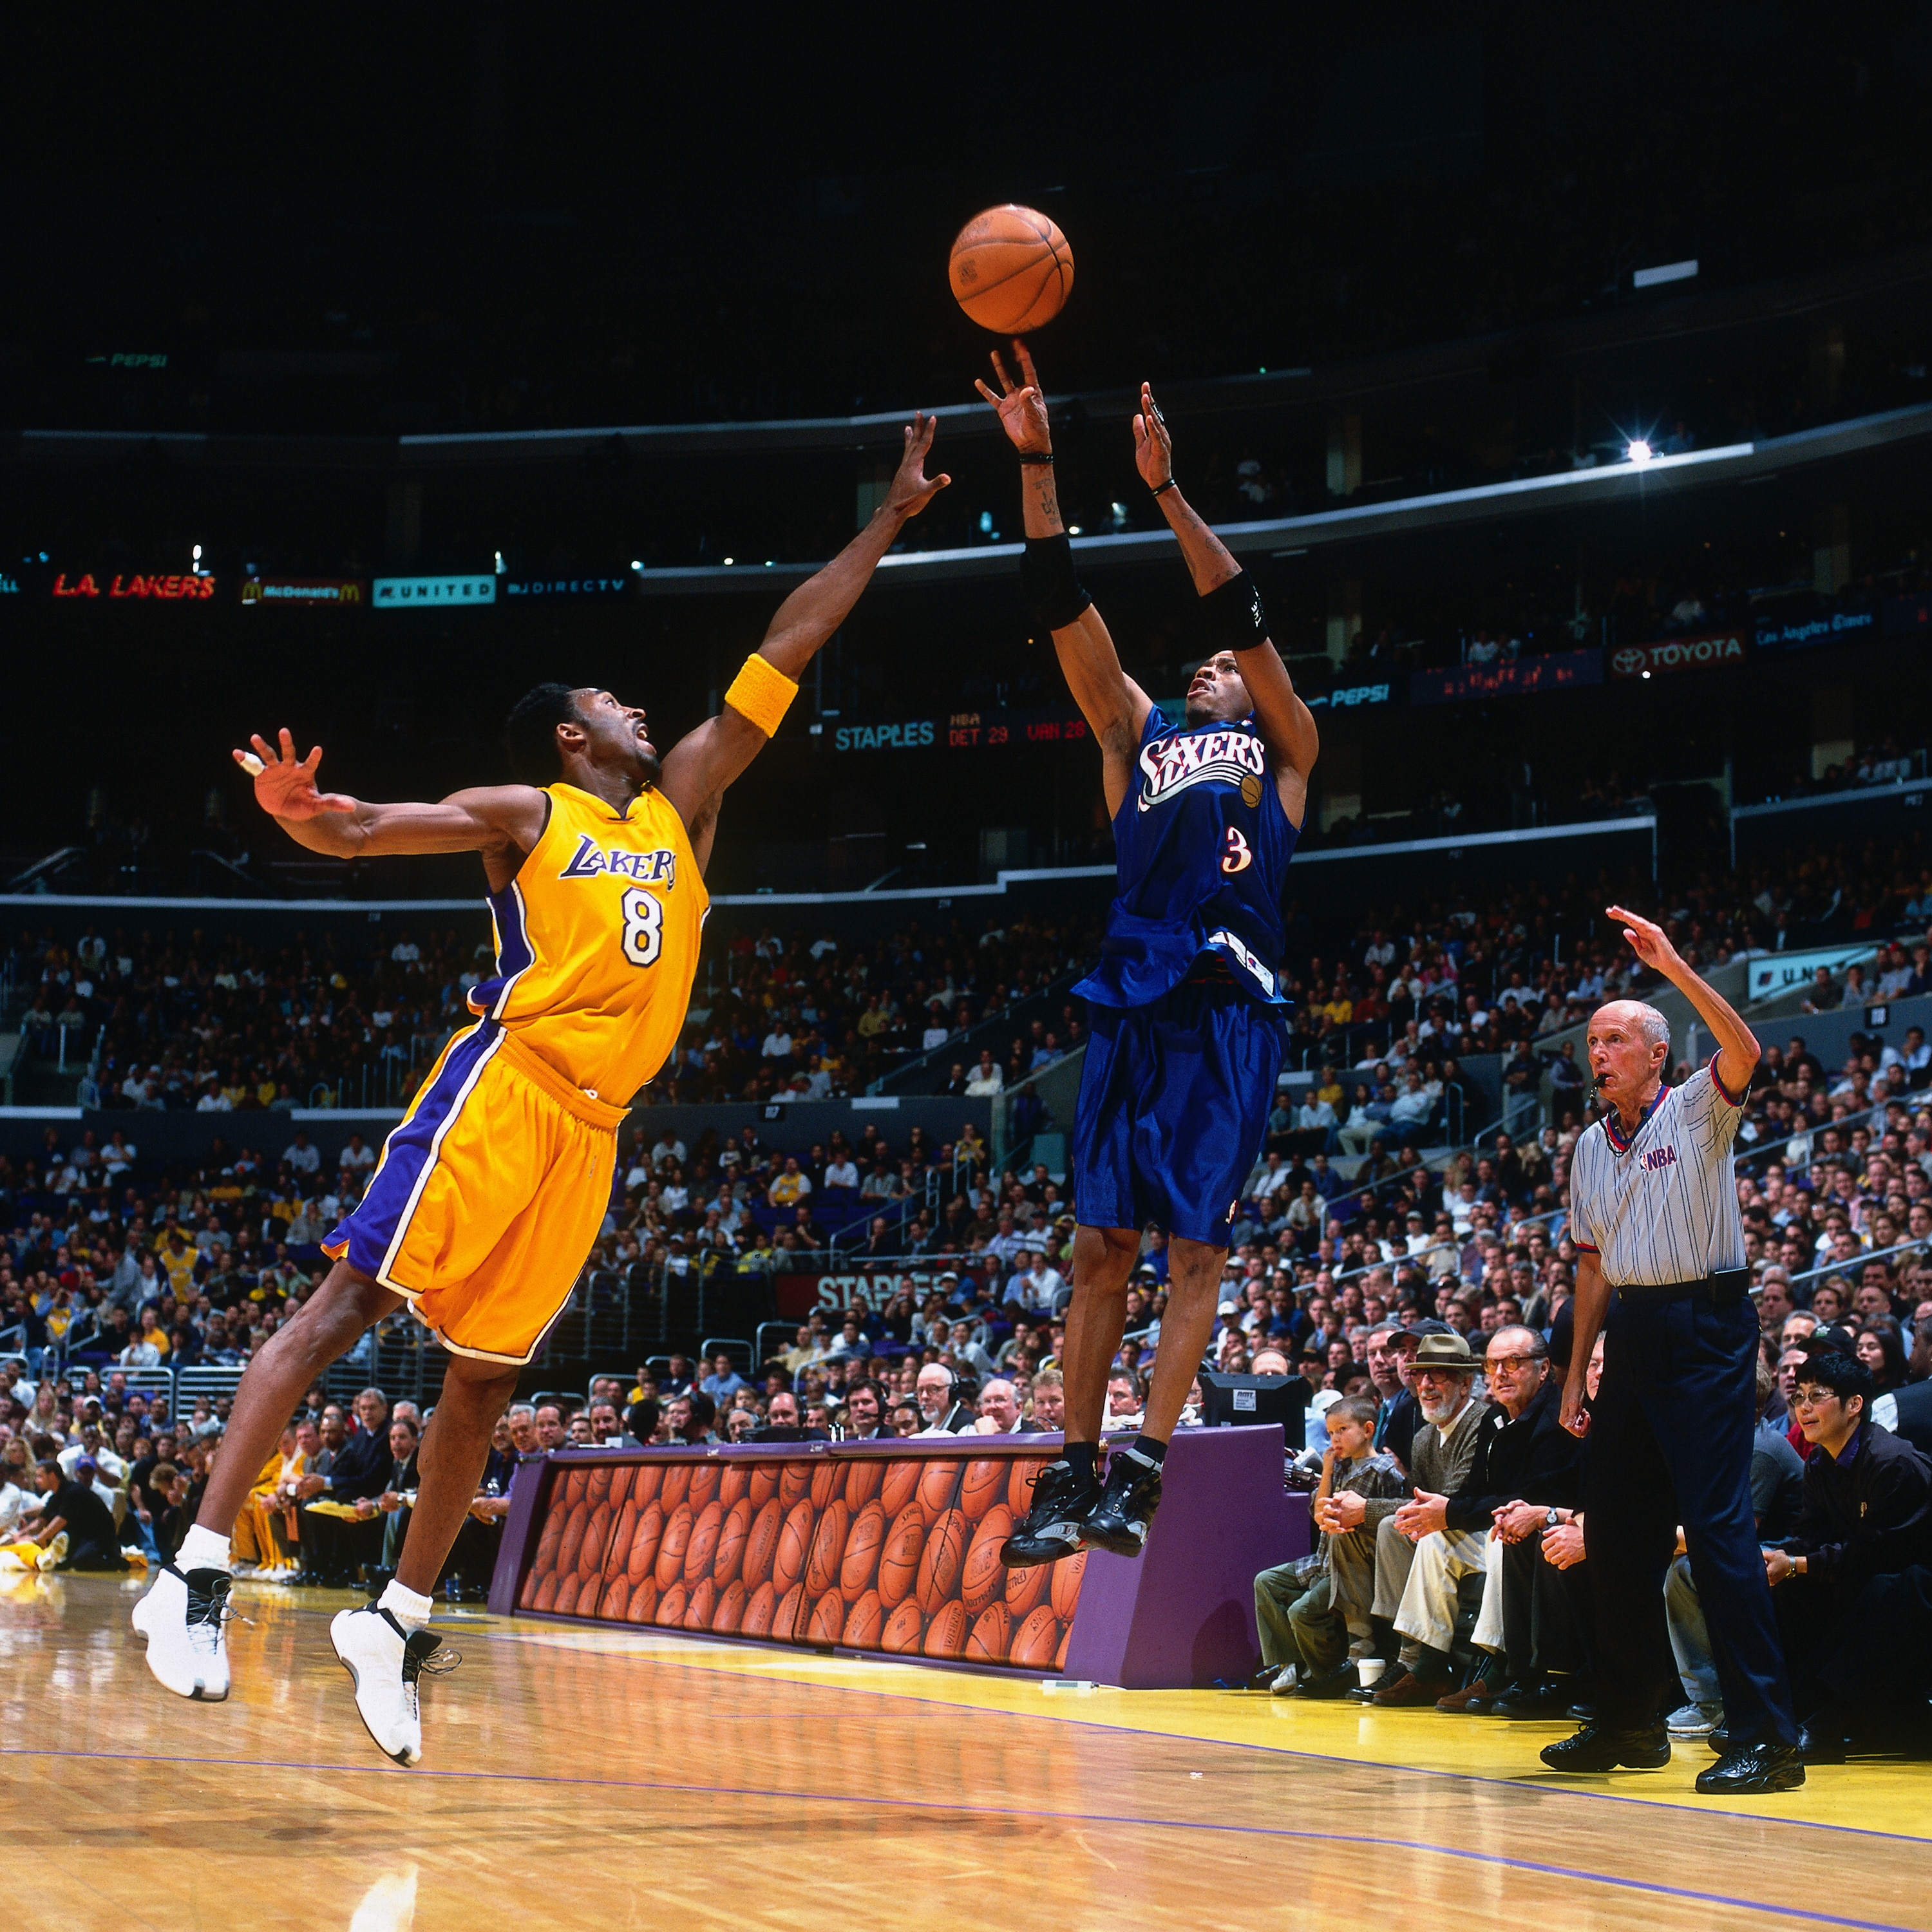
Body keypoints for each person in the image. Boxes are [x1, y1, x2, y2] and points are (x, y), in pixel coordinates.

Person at [129, 410, 952, 1767]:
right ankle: (193, 1574)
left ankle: (391, 1624)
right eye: (613, 702)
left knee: (483, 1387)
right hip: (503, 1086)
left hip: (593, 1134)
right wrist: (301, 813)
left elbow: (785, 648)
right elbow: (370, 828)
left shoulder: (683, 804)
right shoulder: (530, 812)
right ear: (572, 738)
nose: (642, 710)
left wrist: (889, 521)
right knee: (344, 1308)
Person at [983, 347, 1319, 1569]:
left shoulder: (1283, 750)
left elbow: (1244, 618)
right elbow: (1060, 601)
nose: (1207, 668)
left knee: (1196, 1254)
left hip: (1230, 1004)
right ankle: (1072, 1473)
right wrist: (1037, 465)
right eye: (1200, 668)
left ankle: (1144, 1468)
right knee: (1095, 1251)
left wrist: (1171, 494)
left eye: (1223, 668)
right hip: (1129, 998)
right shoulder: (1139, 730)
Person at [1544, 908, 1804, 1795]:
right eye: (1593, 1040)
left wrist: (1674, 965)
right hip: (1633, 1334)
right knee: (1617, 1536)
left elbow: (1749, 1053)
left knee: (1720, 1531)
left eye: (1618, 1037)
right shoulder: (1586, 1145)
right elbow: (1591, 1271)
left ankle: (1769, 1736)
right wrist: (1576, 1371)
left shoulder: (1697, 1108)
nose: (1601, 1051)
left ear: (1659, 1053)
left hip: (1707, 1327)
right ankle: (1630, 1723)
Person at [1763, 1351, 1932, 1760]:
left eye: (1817, 1395)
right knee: (1781, 1588)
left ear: (1854, 1404)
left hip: (1915, 1584)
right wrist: (1772, 1557)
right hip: (1871, 1576)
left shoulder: (1893, 1463)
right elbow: (1809, 1537)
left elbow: (1876, 1556)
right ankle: (1779, 1711)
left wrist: (1797, 1565)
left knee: (1891, 1589)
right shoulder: (1820, 1462)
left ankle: (1827, 1719)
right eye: (1799, 1396)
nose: (1804, 1407)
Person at [1252, 1395, 1406, 1693]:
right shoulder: (1342, 1468)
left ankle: (1327, 1674)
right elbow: (1319, 1513)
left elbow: (1392, 1521)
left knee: (1302, 1612)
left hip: (1353, 1567)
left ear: (1368, 1430)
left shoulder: (1385, 1470)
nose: (1335, 1439)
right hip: (1322, 1560)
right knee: (1266, 1581)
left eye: (1342, 1430)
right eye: (1331, 1433)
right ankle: (1290, 1665)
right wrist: (1328, 1470)